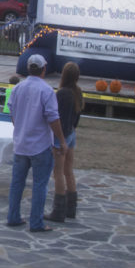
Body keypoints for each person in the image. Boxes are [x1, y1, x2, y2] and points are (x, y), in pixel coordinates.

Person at [6, 54, 68, 233]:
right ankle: (36, 222)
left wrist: (19, 127)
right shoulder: (46, 90)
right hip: (40, 145)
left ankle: (13, 216)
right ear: (44, 69)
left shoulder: (18, 88)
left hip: (21, 143)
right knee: (40, 184)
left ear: (28, 68)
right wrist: (61, 140)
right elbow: (53, 118)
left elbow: (11, 110)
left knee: (17, 182)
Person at [45, 62, 83, 223]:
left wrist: (61, 140)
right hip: (72, 133)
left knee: (58, 172)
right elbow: (76, 117)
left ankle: (58, 210)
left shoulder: (62, 94)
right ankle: (71, 209)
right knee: (69, 171)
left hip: (63, 136)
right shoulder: (78, 92)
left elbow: (58, 118)